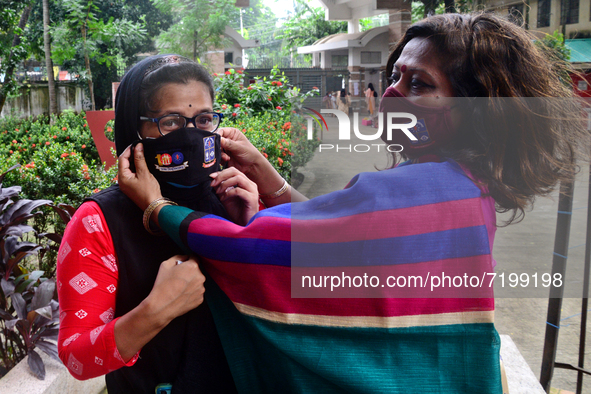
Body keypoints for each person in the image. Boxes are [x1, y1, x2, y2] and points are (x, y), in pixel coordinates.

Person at [118, 14, 588, 393]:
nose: (391, 93)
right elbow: (343, 239)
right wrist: (271, 178)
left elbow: (260, 248)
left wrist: (160, 208)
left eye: (419, 84)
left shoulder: (416, 191)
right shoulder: (466, 185)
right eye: (395, 75)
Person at [56, 55, 247, 393]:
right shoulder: (99, 221)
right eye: (170, 122)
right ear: (134, 130)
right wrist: (155, 311)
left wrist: (251, 228)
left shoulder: (233, 194)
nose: (190, 135)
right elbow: (77, 357)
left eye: (203, 119)